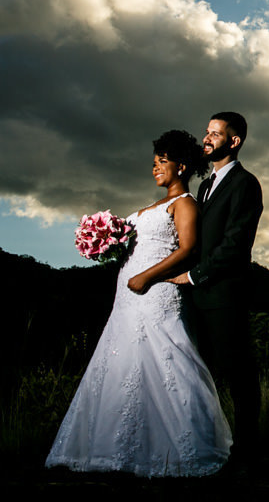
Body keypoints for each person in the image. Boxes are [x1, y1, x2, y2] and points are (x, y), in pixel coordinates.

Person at [45, 130, 232, 477]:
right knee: (122, 361)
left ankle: (181, 448)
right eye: (154, 163)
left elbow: (187, 249)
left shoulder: (185, 203)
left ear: (182, 166)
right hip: (126, 296)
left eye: (162, 162)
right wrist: (103, 243)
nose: (155, 168)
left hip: (156, 293)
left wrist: (146, 276)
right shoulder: (149, 208)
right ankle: (115, 446)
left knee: (166, 360)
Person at [170, 111, 263, 468]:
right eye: (206, 132)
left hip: (224, 295)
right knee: (199, 372)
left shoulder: (245, 183)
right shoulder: (204, 185)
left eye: (214, 133)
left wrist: (194, 276)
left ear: (234, 141)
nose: (206, 138)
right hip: (197, 297)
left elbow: (235, 244)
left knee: (238, 373)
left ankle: (246, 453)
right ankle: (203, 444)